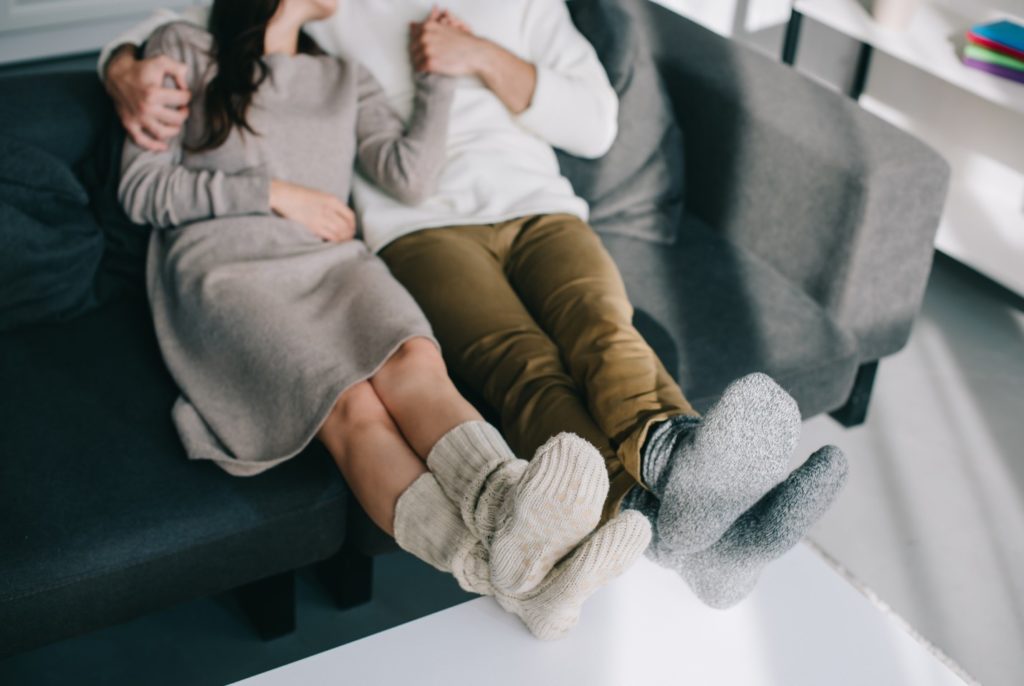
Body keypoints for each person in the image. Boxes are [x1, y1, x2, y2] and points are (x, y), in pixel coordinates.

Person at [101, 0, 848, 611]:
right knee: (484, 373)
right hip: (356, 242)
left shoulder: (381, 56)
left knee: (587, 329)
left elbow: (566, 129)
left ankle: (673, 482)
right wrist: (119, 66)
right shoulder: (259, 34)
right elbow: (160, 66)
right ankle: (640, 530)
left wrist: (460, 63)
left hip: (483, 219)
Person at [116, 0, 653, 641]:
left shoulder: (342, 74)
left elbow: (411, 179)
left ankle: (515, 519)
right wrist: (273, 194)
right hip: (224, 264)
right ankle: (509, 576)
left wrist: (440, 76)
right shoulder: (182, 47)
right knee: (352, 406)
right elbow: (142, 189)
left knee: (414, 359)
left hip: (329, 258)